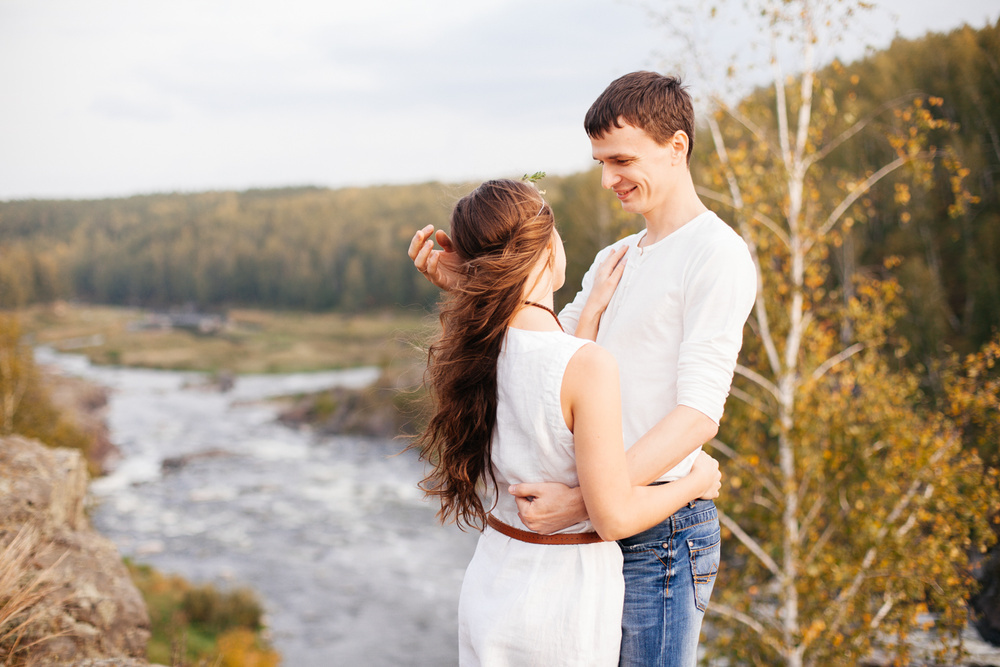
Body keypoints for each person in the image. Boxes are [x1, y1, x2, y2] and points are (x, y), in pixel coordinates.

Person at [410, 72, 757, 666]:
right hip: (598, 532)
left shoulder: (716, 255)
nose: (607, 179)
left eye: (621, 159)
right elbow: (543, 360)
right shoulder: (613, 257)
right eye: (600, 162)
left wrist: (585, 501)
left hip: (660, 535)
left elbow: (700, 414)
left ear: (677, 147)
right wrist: (470, 285)